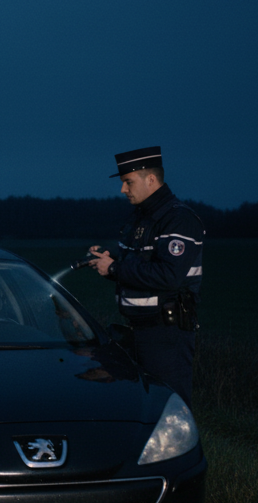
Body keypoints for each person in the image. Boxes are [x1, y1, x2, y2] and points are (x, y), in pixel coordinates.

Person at [87, 146, 204, 403]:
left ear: (151, 179)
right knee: (140, 405)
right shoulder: (141, 219)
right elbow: (140, 269)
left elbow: (168, 276)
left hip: (166, 334)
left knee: (167, 405)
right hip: (137, 332)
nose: (123, 190)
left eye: (128, 182)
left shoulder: (178, 219)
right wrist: (108, 263)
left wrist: (115, 268)